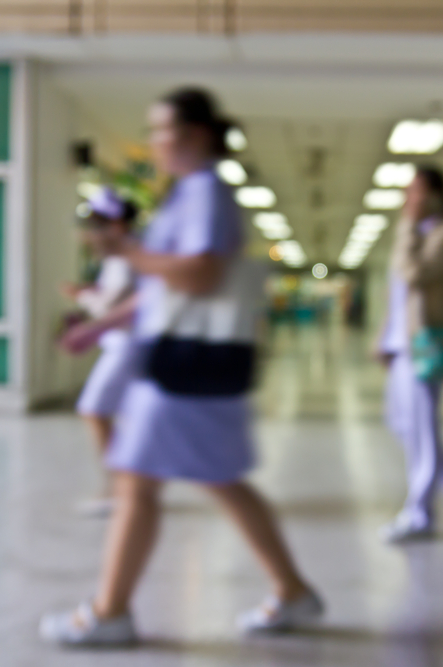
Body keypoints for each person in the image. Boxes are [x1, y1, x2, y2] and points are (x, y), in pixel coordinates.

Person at [40, 87, 323, 647]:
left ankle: (110, 611)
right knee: (218, 482)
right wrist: (99, 325)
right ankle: (292, 591)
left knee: (140, 485)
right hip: (187, 364)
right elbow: (167, 287)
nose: (154, 142)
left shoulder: (207, 193)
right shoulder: (192, 193)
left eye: (160, 130)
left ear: (194, 135)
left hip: (184, 368)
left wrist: (128, 251)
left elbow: (199, 275)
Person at [377, 165, 443, 544]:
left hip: (427, 346)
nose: (411, 200)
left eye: (418, 192)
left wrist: (406, 229)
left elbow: (414, 276)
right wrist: (384, 336)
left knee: (422, 431)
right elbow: (398, 293)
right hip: (402, 344)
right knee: (401, 422)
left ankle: (420, 515)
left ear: (437, 195)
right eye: (408, 193)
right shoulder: (417, 235)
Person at [59, 187, 139, 517]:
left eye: (95, 226)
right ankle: (124, 486)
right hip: (122, 344)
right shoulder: (119, 259)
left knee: (94, 409)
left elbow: (117, 306)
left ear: (116, 226)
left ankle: (121, 489)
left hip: (128, 345)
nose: (88, 235)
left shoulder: (130, 257)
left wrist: (85, 301)